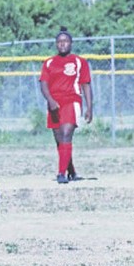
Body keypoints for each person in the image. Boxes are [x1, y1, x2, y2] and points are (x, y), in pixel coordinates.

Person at [39, 27, 93, 184]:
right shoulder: (49, 62)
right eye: (59, 42)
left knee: (66, 133)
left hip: (72, 100)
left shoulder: (79, 62)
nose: (62, 44)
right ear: (56, 44)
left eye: (65, 41)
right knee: (59, 139)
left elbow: (86, 85)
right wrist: (50, 100)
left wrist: (90, 108)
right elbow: (43, 84)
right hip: (54, 104)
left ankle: (61, 174)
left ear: (71, 43)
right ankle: (72, 171)